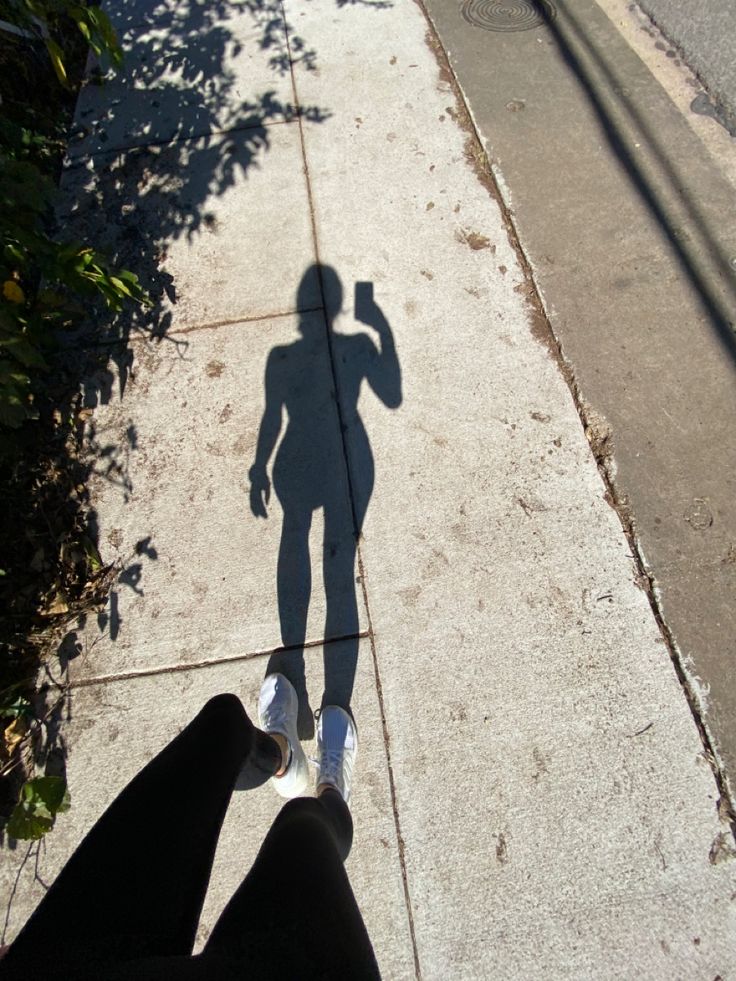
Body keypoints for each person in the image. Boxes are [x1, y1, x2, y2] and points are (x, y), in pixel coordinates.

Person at [0, 675, 380, 980]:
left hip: (54, 965)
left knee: (224, 722)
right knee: (306, 829)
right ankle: (331, 791)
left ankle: (282, 756)